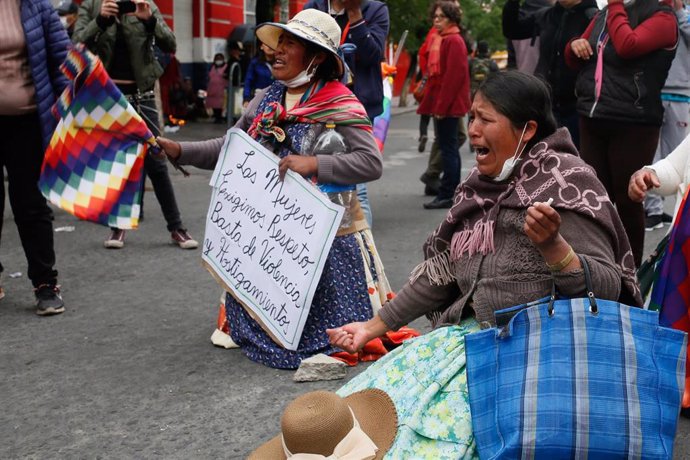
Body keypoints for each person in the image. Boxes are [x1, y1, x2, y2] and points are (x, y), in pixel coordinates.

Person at [327, 71, 641, 457]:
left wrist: (555, 248)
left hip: (541, 357)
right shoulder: (478, 186)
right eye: (471, 117)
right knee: (362, 420)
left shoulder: (567, 181)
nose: (472, 130)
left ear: (526, 129)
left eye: (485, 119)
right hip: (472, 341)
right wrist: (369, 329)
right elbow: (442, 274)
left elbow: (609, 290)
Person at [156, 9, 393, 369]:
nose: (276, 52)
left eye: (290, 44)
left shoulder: (341, 102)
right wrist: (181, 150)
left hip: (328, 240)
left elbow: (370, 163)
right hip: (271, 240)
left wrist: (315, 164)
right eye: (277, 43)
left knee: (335, 336)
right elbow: (232, 148)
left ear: (317, 57)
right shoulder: (267, 98)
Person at [73, 0, 198, 250]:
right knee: (117, 163)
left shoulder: (144, 3)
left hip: (143, 96)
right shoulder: (92, 5)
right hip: (109, 96)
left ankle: (177, 227)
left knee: (156, 160)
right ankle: (119, 227)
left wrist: (149, 21)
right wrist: (100, 20)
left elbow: (171, 44)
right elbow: (76, 45)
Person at [565, 0, 677, 267]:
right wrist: (573, 46)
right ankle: (595, 267)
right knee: (592, 198)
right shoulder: (607, 13)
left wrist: (615, 4)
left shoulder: (662, 17)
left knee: (628, 200)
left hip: (634, 121)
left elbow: (628, 46)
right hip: (593, 116)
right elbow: (575, 56)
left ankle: (631, 272)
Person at [0, 0, 69, 314]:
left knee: (30, 203)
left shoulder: (37, 6)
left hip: (28, 121)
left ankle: (45, 283)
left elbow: (61, 61)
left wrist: (70, 112)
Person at [303, 0, 390, 228]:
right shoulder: (313, 8)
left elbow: (373, 55)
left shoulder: (375, 10)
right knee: (313, 181)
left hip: (356, 109)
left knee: (356, 190)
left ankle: (363, 255)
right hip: (317, 105)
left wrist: (355, 15)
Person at [503, 0, 598, 148]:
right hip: (546, 104)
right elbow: (512, 30)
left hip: (576, 106)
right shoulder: (547, 16)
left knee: (574, 159)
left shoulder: (593, 17)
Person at [418, 0, 471, 210]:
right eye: (435, 16)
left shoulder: (453, 40)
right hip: (443, 103)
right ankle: (447, 192)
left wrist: (440, 107)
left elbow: (453, 78)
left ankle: (448, 194)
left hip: (448, 106)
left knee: (448, 149)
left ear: (451, 19)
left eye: (441, 17)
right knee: (447, 146)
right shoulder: (443, 39)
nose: (436, 20)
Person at [644, 0, 690, 231]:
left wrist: (681, 12)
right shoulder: (653, 12)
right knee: (653, 152)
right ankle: (653, 210)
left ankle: (675, 213)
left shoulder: (686, 13)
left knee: (677, 155)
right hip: (652, 91)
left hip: (681, 93)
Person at [242, 41, 274, 109]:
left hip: (276, 98)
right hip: (258, 98)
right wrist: (246, 98)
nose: (269, 46)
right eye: (266, 44)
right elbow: (248, 81)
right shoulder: (255, 63)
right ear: (261, 46)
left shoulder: (280, 63)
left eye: (271, 44)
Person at [206, 53, 227, 124]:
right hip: (212, 88)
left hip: (221, 89)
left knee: (221, 104)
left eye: (220, 59)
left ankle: (220, 117)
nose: (218, 60)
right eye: (217, 59)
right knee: (213, 103)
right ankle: (216, 116)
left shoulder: (226, 67)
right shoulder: (212, 67)